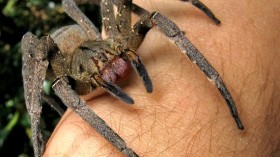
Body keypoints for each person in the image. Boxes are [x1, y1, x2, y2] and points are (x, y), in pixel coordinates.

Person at [44, 0, 280, 156]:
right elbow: (61, 87)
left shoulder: (118, 39)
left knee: (150, 16)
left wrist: (143, 14)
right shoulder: (69, 80)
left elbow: (146, 15)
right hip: (68, 63)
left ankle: (222, 90)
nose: (105, 61)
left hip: (93, 37)